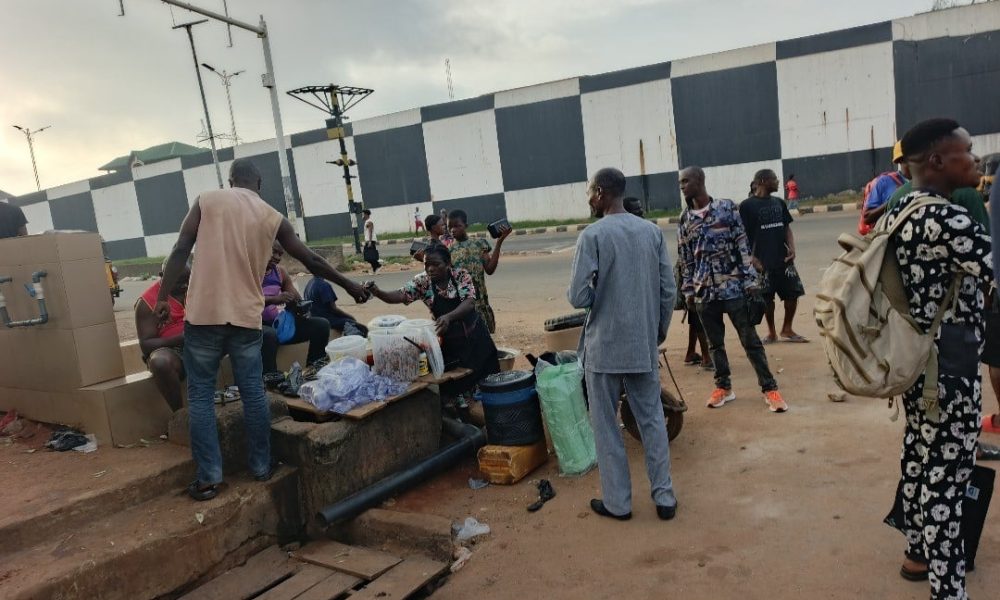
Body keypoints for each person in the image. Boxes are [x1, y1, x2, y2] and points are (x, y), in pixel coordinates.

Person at [156, 158, 368, 502]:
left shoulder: (207, 200)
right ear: (259, 184)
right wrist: (350, 284)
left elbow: (181, 248)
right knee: (253, 391)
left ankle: (209, 479)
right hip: (245, 317)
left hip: (205, 315)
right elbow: (311, 259)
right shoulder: (271, 215)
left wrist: (163, 296)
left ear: (230, 180)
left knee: (199, 396)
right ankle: (261, 467)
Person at [879, 118, 992, 600]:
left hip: (916, 364)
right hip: (951, 369)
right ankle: (949, 590)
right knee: (947, 480)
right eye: (967, 151)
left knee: (921, 461)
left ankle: (918, 552)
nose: (976, 158)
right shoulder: (946, 220)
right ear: (937, 161)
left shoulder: (900, 212)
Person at [568, 167, 677, 522]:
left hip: (604, 348)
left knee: (606, 426)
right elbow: (668, 291)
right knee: (652, 421)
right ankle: (664, 498)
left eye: (591, 192)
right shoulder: (650, 232)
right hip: (641, 345)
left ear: (600, 193)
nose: (590, 198)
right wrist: (656, 332)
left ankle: (619, 503)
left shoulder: (593, 235)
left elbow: (578, 296)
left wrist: (600, 289)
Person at [677, 166, 786, 413]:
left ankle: (770, 389)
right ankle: (723, 387)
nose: (682, 186)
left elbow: (742, 246)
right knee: (715, 345)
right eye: (680, 182)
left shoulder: (726, 208)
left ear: (700, 180)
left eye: (686, 181)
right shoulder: (685, 219)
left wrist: (750, 283)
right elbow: (686, 259)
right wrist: (689, 292)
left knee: (751, 341)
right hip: (705, 292)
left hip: (733, 288)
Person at [365, 244, 500, 412]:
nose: (430, 269)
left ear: (448, 263)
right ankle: (462, 416)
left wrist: (449, 317)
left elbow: (469, 303)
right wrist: (377, 292)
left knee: (488, 380)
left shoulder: (461, 276)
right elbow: (400, 295)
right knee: (454, 386)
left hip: (475, 337)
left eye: (436, 264)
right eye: (427, 264)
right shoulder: (422, 282)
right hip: (450, 342)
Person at [740, 169, 807, 344]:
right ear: (763, 181)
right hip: (762, 260)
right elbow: (741, 236)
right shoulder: (747, 206)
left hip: (783, 259)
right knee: (766, 298)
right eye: (775, 179)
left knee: (793, 294)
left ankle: (787, 328)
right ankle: (771, 333)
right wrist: (751, 259)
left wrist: (791, 248)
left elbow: (786, 228)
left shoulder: (779, 202)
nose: (778, 182)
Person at [260, 241, 332, 380]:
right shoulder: (249, 272)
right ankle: (270, 378)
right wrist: (274, 299)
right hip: (256, 327)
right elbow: (245, 302)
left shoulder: (280, 273)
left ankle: (314, 368)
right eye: (274, 252)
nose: (277, 257)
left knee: (321, 325)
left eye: (280, 254)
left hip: (278, 325)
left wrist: (299, 307)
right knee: (269, 335)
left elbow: (297, 299)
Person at [135, 260, 190, 412]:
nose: (185, 286)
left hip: (202, 344)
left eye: (187, 280)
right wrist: (182, 338)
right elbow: (146, 345)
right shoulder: (147, 302)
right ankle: (180, 415)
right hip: (173, 350)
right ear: (162, 276)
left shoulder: (195, 289)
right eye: (179, 282)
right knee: (160, 362)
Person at [447, 209, 511, 333]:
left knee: (485, 339)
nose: (453, 230)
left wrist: (499, 242)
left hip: (480, 303)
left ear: (466, 226)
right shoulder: (448, 251)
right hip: (462, 306)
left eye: (457, 226)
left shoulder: (479, 244)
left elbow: (490, 269)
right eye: (450, 227)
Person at [860, 141, 908, 234]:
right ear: (900, 160)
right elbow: (867, 217)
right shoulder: (884, 182)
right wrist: (893, 200)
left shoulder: (927, 181)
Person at [362, 209, 380, 273]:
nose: (362, 215)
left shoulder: (369, 222)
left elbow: (370, 231)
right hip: (368, 240)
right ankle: (375, 268)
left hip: (371, 240)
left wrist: (369, 241)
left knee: (369, 255)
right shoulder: (367, 221)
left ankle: (378, 266)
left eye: (363, 214)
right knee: (369, 256)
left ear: (366, 214)